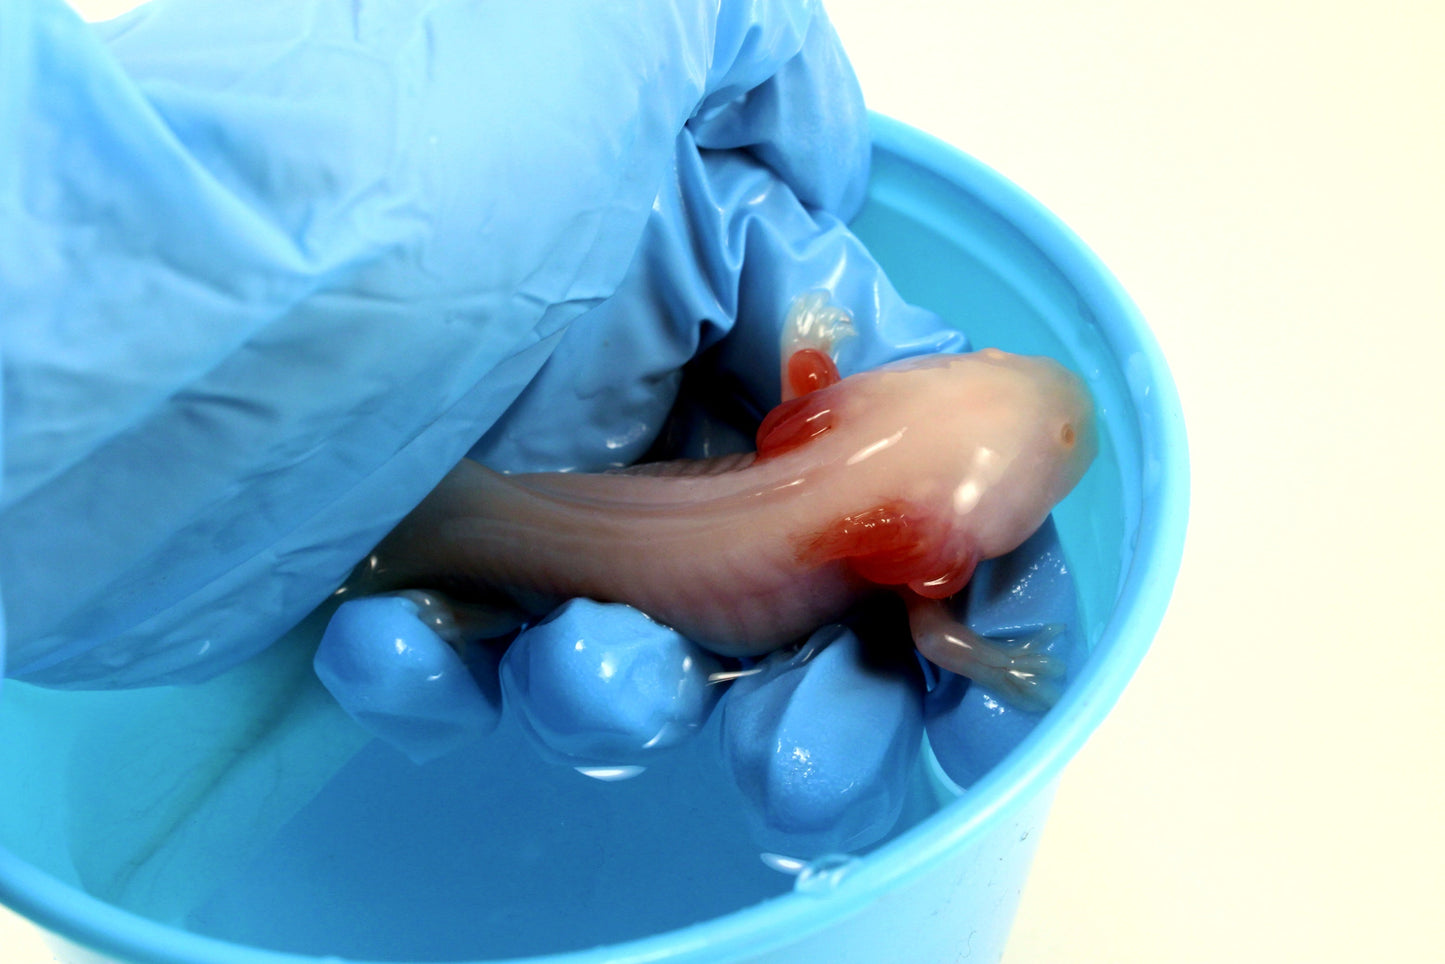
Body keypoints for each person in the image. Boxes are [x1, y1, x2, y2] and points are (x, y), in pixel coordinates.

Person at [1, 0, 1070, 854]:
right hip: (539, 526)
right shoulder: (922, 579)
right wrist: (982, 656)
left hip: (531, 509)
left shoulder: (832, 413)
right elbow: (938, 634)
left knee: (502, 600)